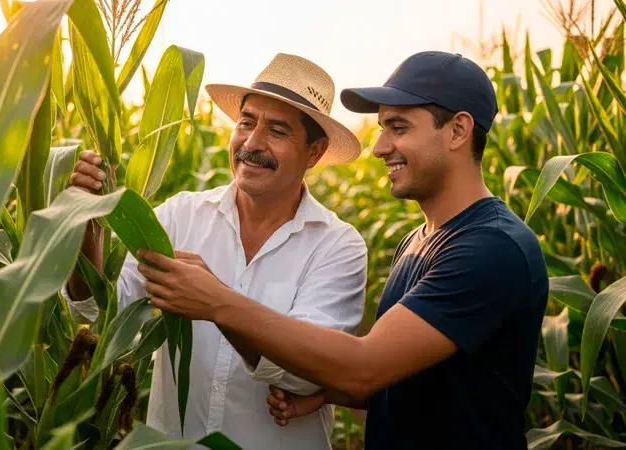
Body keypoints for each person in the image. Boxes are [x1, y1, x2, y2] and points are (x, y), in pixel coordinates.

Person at [137, 51, 549, 450]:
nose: (380, 147)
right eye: (383, 129)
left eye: (399, 128)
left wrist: (217, 301)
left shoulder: (491, 249)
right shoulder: (419, 242)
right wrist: (329, 393)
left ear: (458, 131)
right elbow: (428, 380)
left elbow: (365, 368)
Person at [63, 53, 368, 450]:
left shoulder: (338, 246)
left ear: (314, 151)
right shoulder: (178, 216)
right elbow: (97, 315)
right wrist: (87, 224)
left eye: (277, 130)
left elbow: (307, 376)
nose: (252, 143)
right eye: (246, 122)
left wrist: (217, 303)